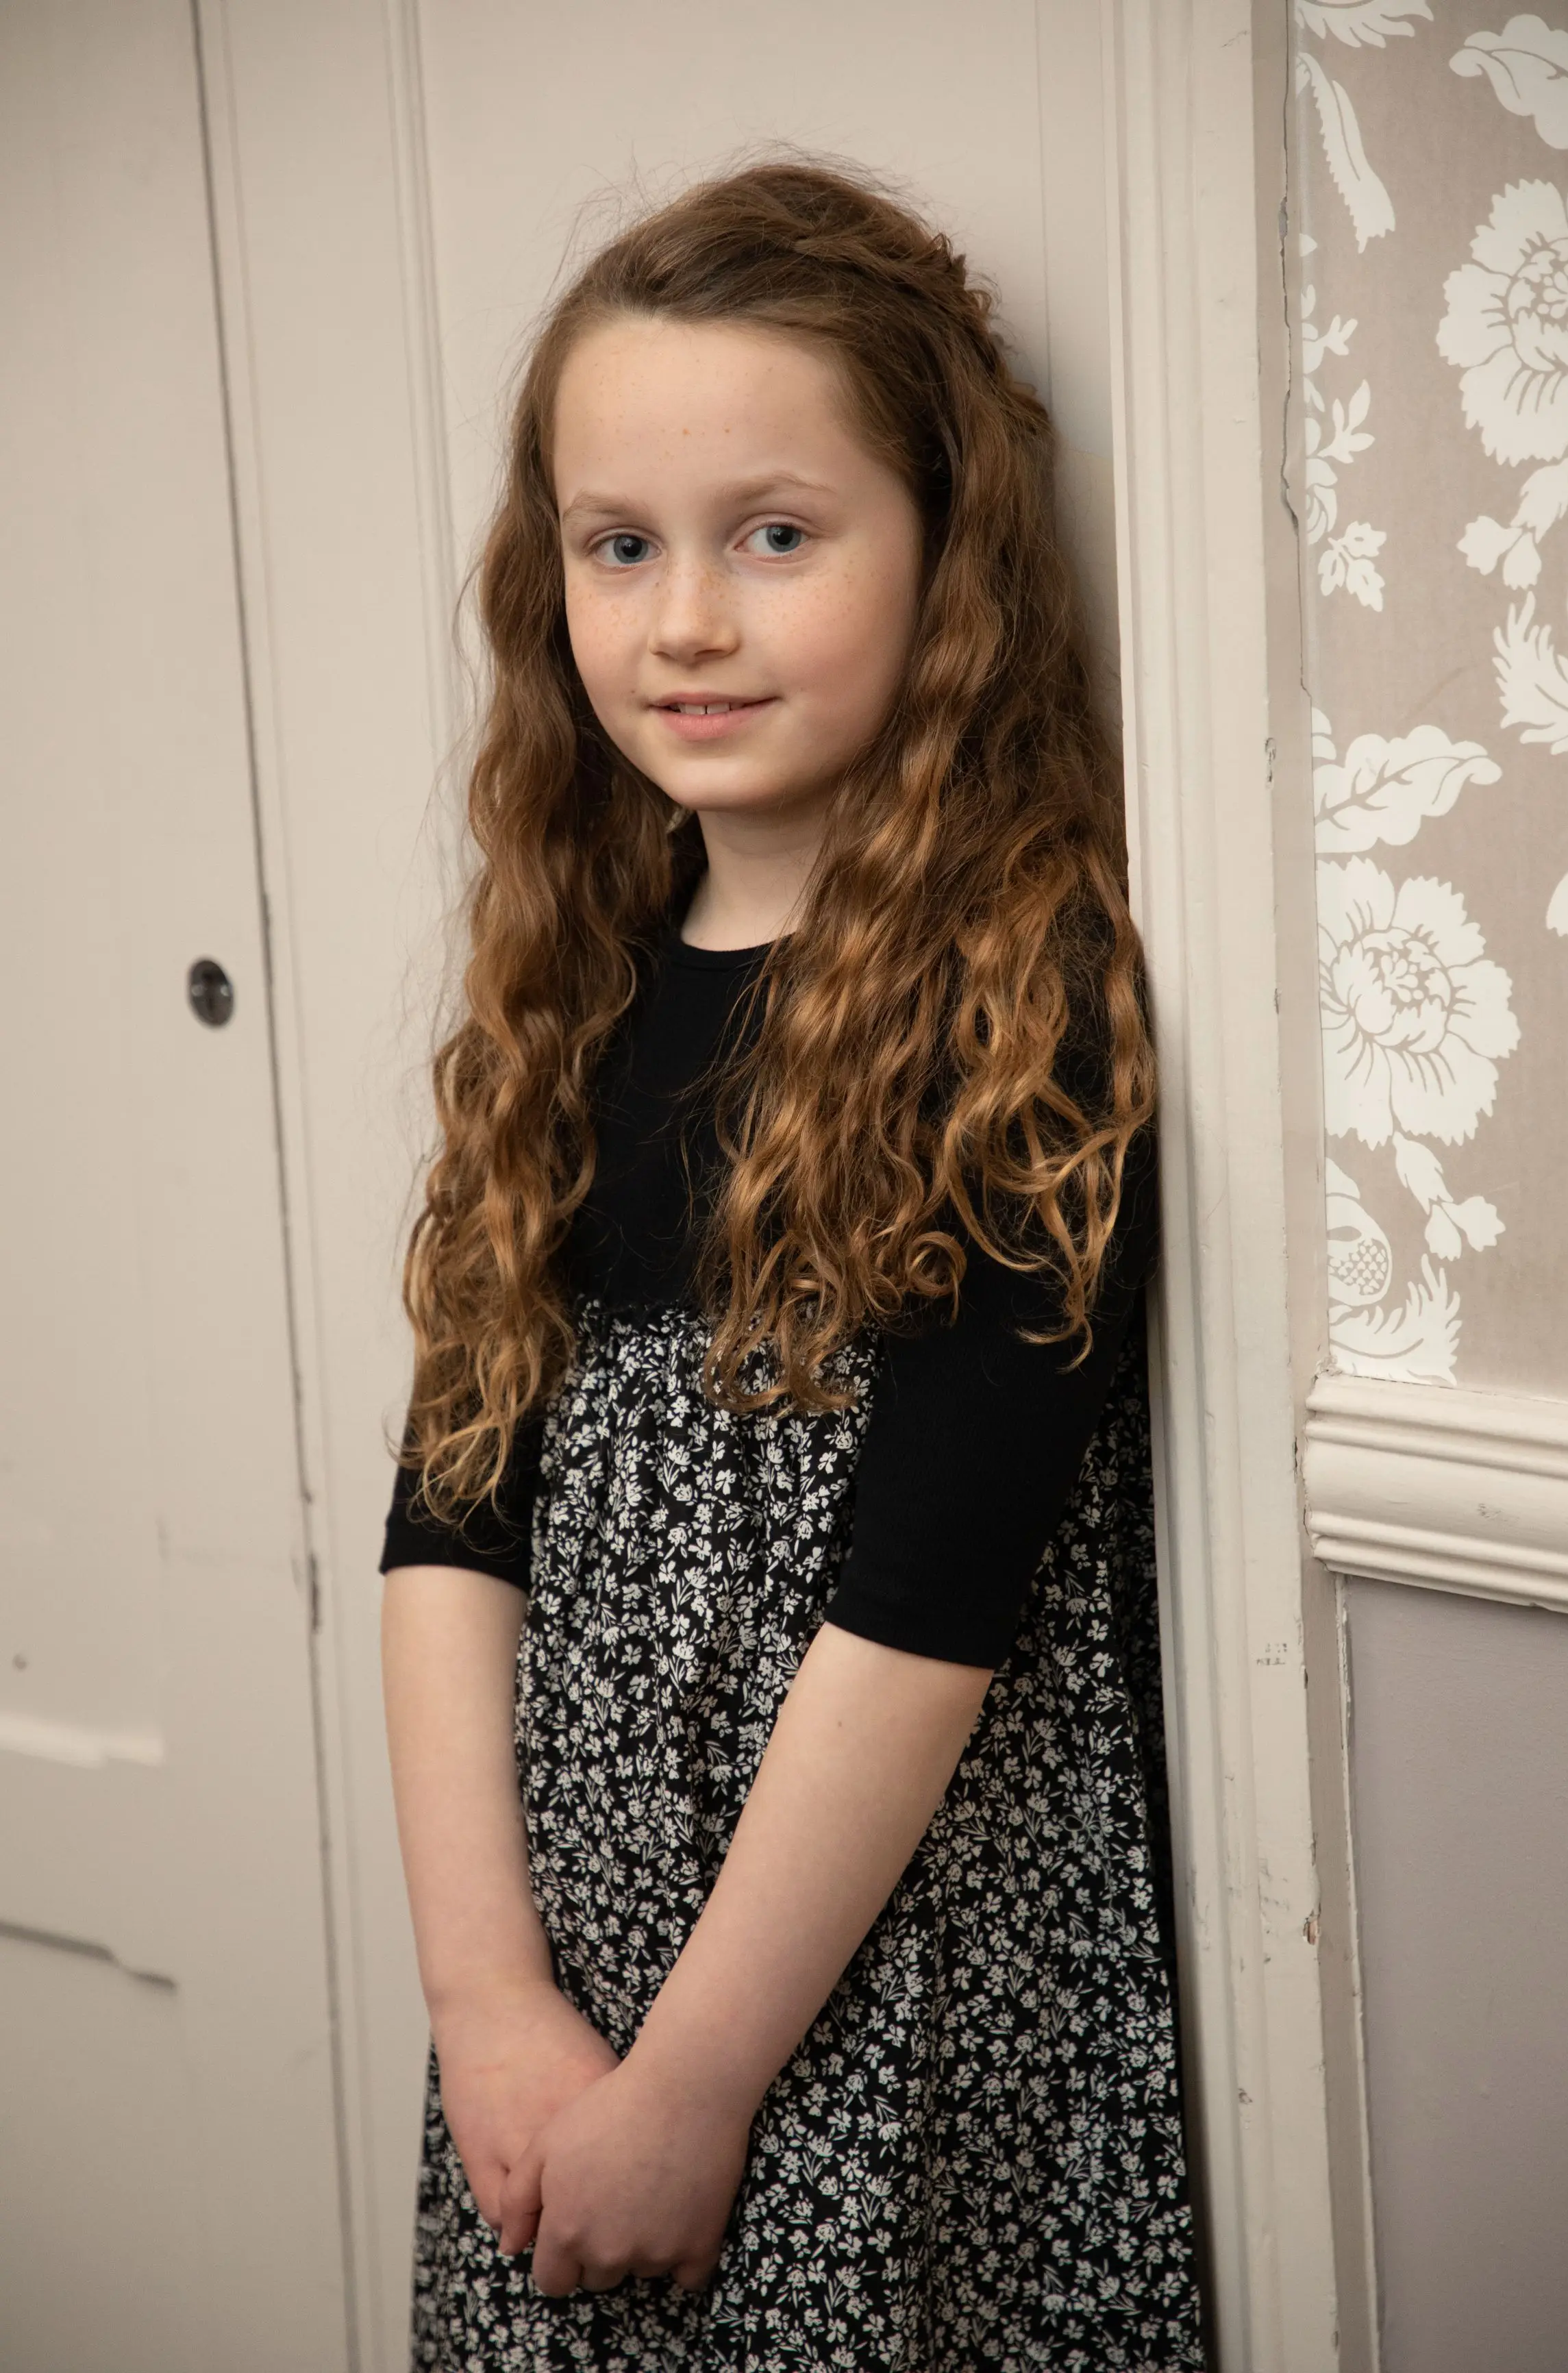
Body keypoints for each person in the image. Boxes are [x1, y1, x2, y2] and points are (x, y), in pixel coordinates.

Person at [379, 158, 1204, 2373]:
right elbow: (448, 1516)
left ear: (945, 553)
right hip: (566, 2003)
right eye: (616, 545)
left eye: (772, 534)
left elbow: (926, 1605)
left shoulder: (1019, 999)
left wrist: (696, 2081)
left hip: (849, 1992)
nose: (683, 625)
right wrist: (491, 2006)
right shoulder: (561, 988)